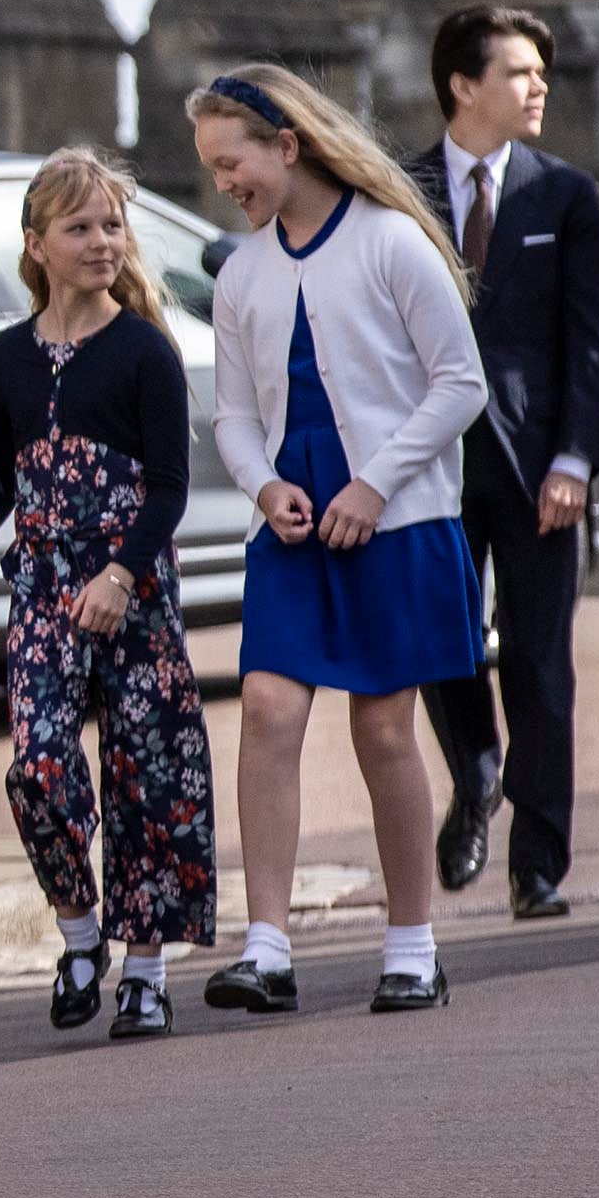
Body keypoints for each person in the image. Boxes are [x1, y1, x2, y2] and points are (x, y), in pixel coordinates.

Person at [190, 64, 489, 1016]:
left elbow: (460, 384)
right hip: (290, 526)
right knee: (269, 710)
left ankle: (412, 944)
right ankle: (268, 947)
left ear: (288, 144)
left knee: (383, 726)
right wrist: (267, 484)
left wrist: (372, 483)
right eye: (207, 169)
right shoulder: (240, 273)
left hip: (393, 519)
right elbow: (234, 418)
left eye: (230, 162)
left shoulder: (393, 240)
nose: (221, 184)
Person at [0, 153, 213, 1040]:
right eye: (80, 227)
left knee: (150, 773)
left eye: (113, 224)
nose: (103, 241)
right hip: (40, 588)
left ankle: (146, 973)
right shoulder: (6, 361)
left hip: (134, 584)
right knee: (37, 765)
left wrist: (120, 575)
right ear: (36, 245)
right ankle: (80, 933)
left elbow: (171, 485)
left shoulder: (146, 349)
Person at [414, 8, 599, 920]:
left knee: (540, 666)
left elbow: (592, 342)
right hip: (430, 467)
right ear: (465, 84)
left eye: (542, 71)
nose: (540, 86)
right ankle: (475, 773)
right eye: (520, 71)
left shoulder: (564, 193)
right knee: (443, 646)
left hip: (541, 474)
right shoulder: (397, 189)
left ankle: (538, 864)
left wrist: (575, 458)